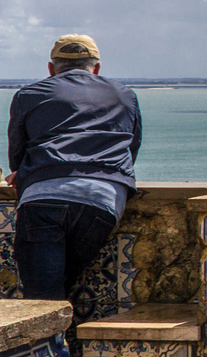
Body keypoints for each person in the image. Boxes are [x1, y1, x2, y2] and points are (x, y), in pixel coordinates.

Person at [4, 35, 141, 302]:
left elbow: (17, 154)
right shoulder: (125, 95)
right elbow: (131, 147)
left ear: (51, 68)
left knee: (42, 299)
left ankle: (55, 343)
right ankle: (64, 341)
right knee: (62, 288)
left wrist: (26, 172)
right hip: (103, 200)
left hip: (43, 200)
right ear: (97, 68)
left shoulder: (29, 95)